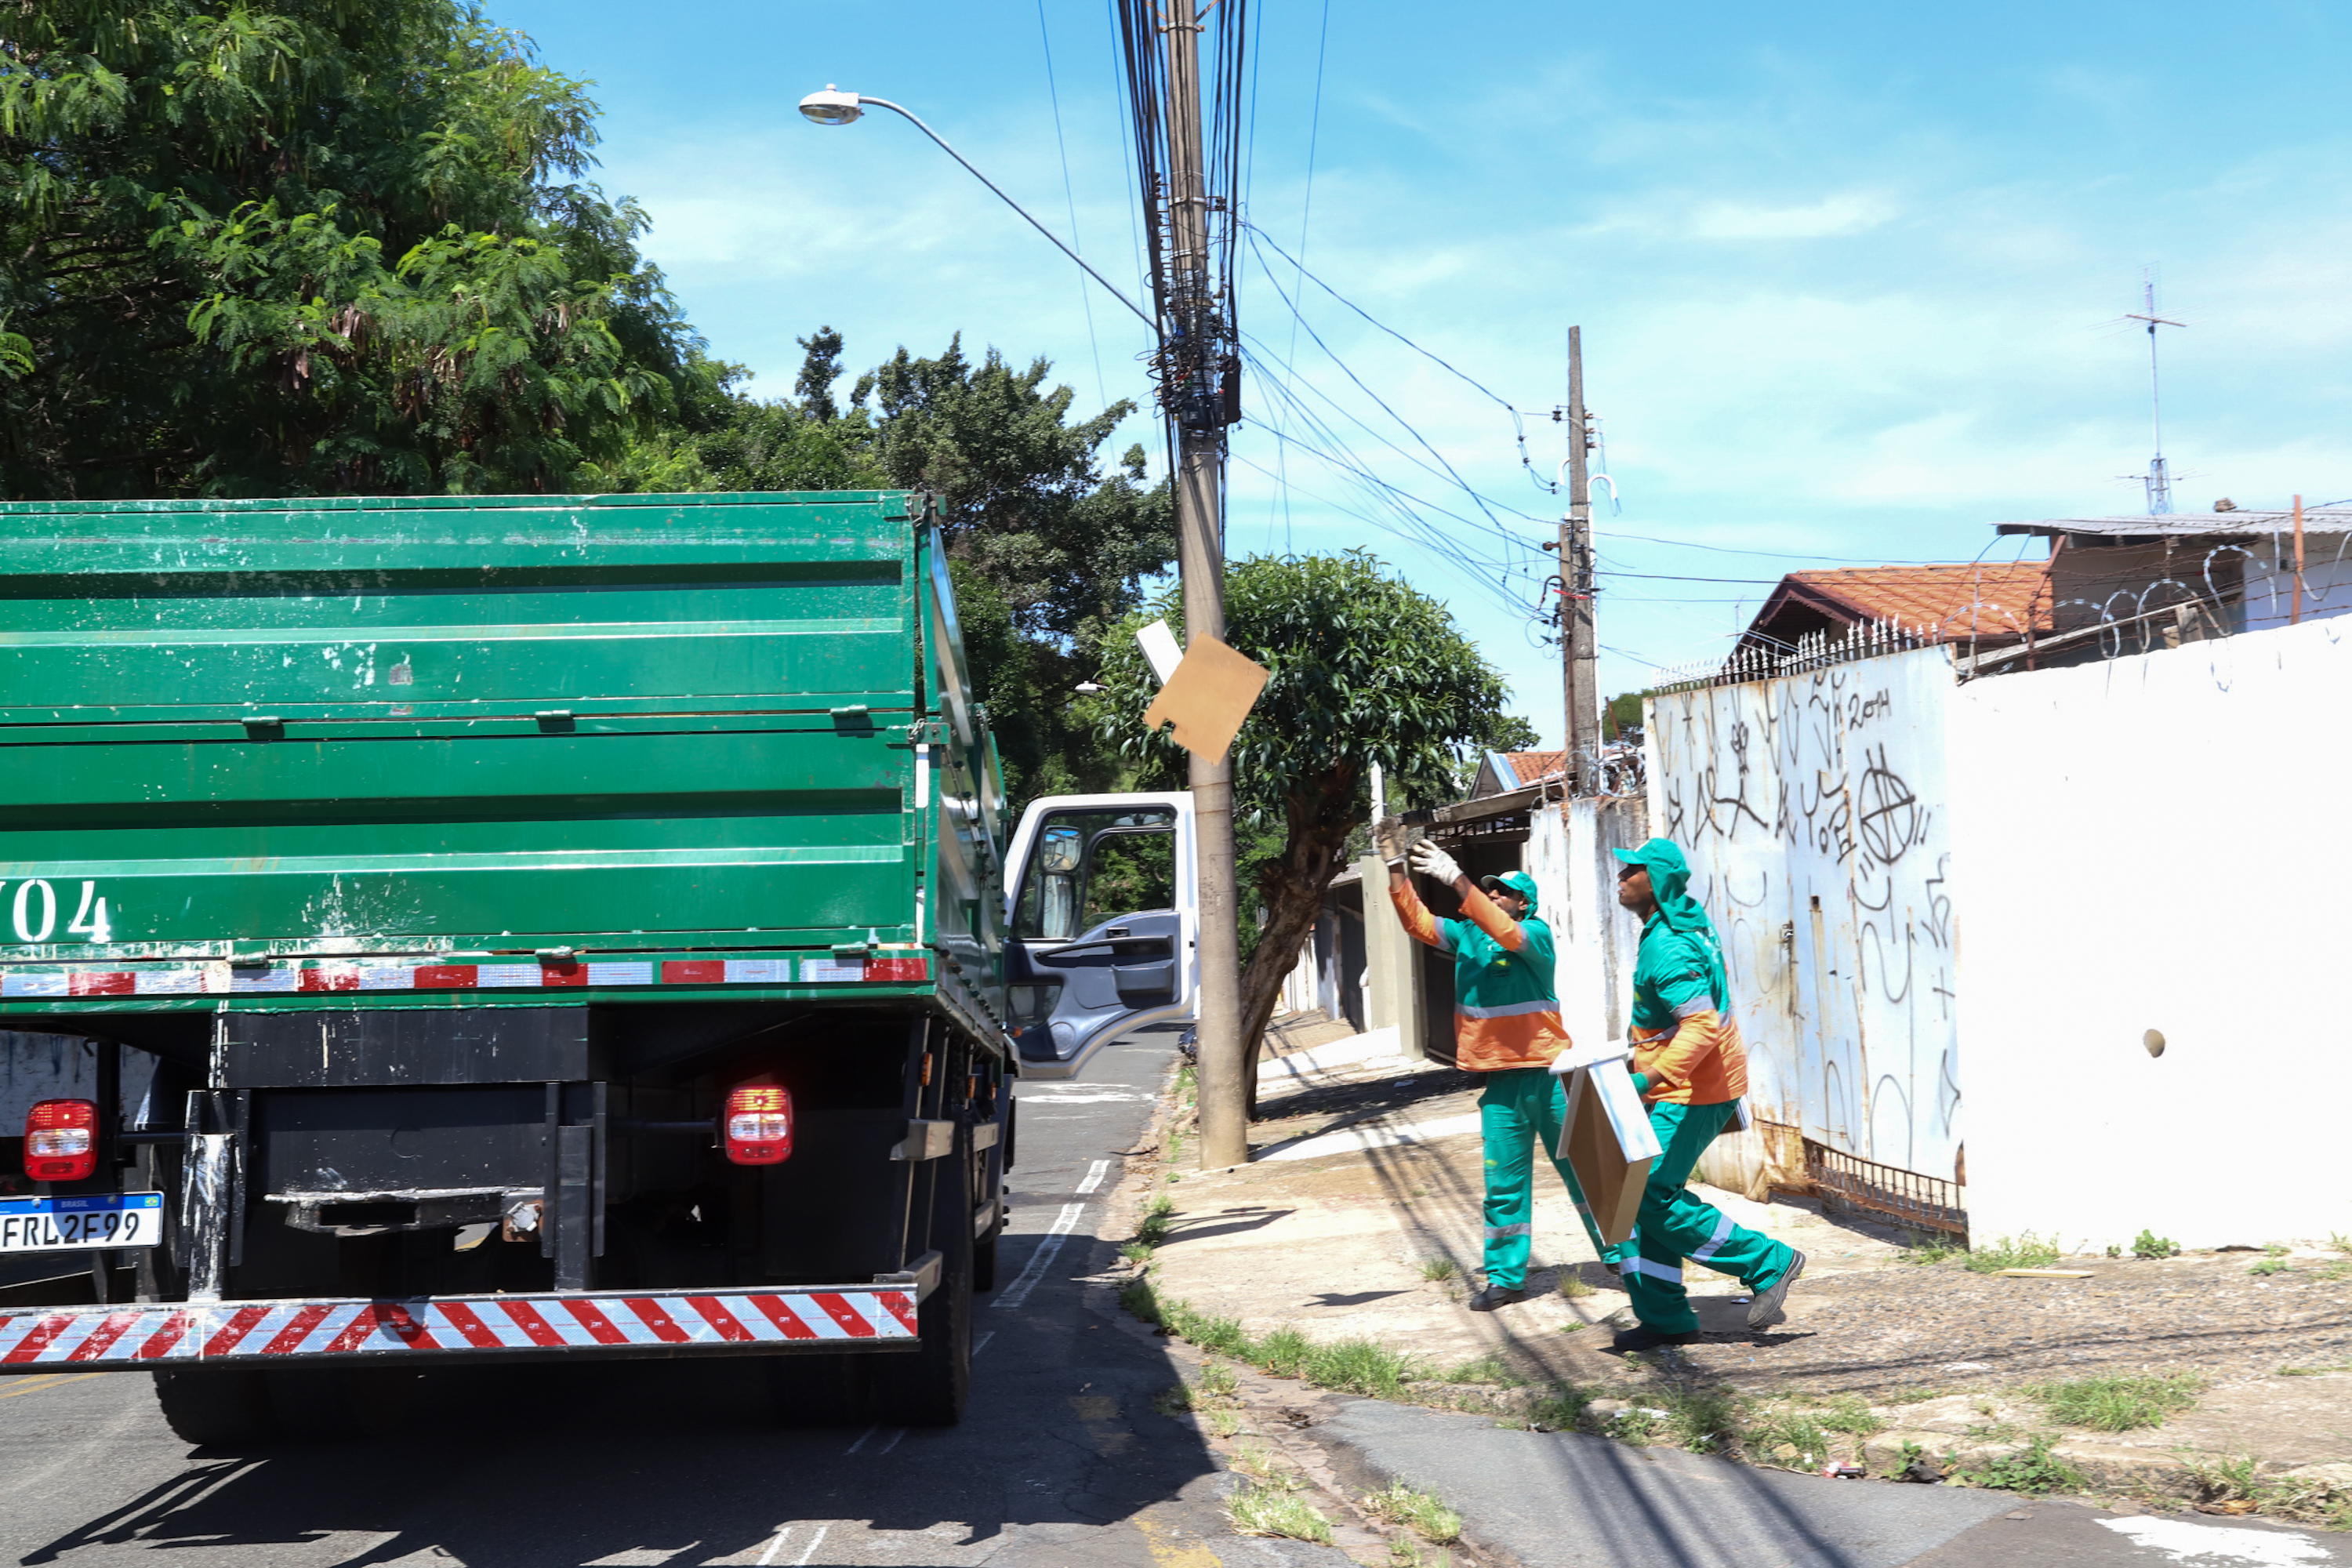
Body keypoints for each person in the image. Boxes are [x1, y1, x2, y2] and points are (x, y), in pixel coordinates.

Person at [1385, 837, 1621, 1311]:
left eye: (1501, 893)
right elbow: (1417, 921)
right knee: (1503, 1184)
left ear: (1523, 904)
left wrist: (1457, 879)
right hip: (1500, 1083)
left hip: (1549, 1077)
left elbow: (1506, 933)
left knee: (1588, 1173)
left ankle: (1626, 1256)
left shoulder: (1535, 936)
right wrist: (1394, 864)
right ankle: (1506, 1277)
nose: (1492, 897)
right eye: (1488, 892)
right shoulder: (1469, 935)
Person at [1608, 837, 1805, 1351]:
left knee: (1647, 1194)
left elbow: (1700, 1027)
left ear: (1656, 881)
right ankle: (1666, 1317)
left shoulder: (1668, 944)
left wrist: (1648, 1080)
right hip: (1697, 1085)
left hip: (1691, 1092)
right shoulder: (1684, 922)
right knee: (1646, 1196)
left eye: (1632, 869)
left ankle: (1768, 1262)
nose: (1621, 876)